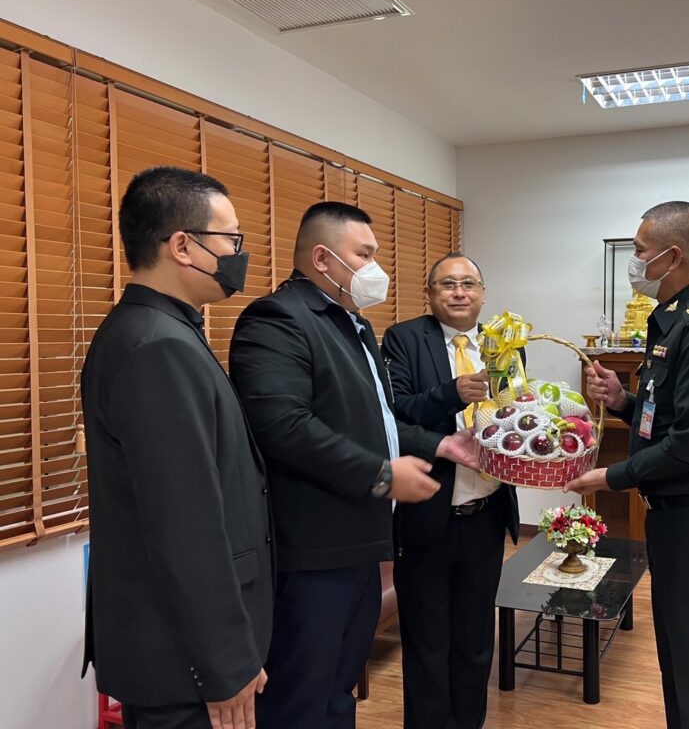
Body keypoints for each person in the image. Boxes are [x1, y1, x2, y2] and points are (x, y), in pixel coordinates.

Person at [229, 202, 477, 729]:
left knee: (339, 694)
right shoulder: (278, 319)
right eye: (364, 255)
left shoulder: (353, 325)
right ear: (323, 258)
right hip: (312, 551)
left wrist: (439, 446)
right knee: (301, 700)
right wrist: (382, 475)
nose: (375, 268)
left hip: (364, 544)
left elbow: (380, 423)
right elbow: (284, 427)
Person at [81, 166, 273, 729]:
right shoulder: (155, 347)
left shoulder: (163, 329)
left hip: (183, 654)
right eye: (231, 239)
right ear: (183, 246)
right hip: (184, 662)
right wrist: (225, 663)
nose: (238, 254)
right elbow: (184, 525)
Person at [565, 201, 689, 729]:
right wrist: (622, 401)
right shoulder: (675, 320)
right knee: (681, 664)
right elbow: (668, 418)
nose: (635, 262)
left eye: (640, 251)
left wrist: (610, 477)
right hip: (677, 518)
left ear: (672, 257)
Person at [382, 253, 520, 729]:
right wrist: (451, 393)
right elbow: (394, 414)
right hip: (427, 516)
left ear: (483, 293)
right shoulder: (404, 339)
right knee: (426, 644)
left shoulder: (506, 345)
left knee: (476, 643)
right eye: (447, 284)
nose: (459, 292)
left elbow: (517, 418)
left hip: (486, 515)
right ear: (430, 294)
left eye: (468, 284)